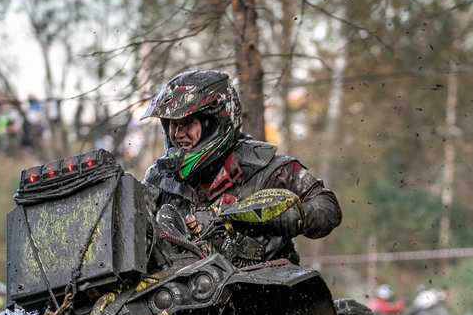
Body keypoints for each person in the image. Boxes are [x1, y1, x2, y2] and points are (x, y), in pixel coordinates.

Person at [141, 69, 341, 264]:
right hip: (182, 283)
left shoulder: (267, 168)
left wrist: (297, 215)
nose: (178, 133)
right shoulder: (160, 179)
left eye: (188, 122)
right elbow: (132, 221)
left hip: (266, 280)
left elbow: (328, 207)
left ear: (214, 122)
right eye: (172, 124)